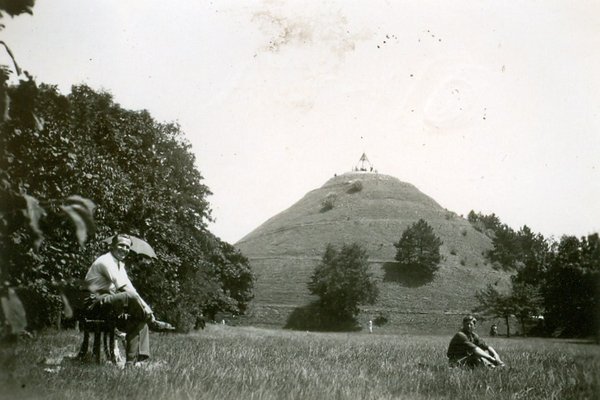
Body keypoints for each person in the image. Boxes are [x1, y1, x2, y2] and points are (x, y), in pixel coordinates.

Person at [84, 234, 173, 366]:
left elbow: (132, 288)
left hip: (108, 305)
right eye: (121, 245)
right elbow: (124, 288)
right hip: (94, 304)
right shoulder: (106, 261)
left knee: (140, 319)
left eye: (127, 247)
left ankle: (132, 363)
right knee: (130, 297)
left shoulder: (119, 264)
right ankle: (152, 321)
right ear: (112, 246)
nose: (124, 249)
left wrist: (146, 308)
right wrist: (146, 309)